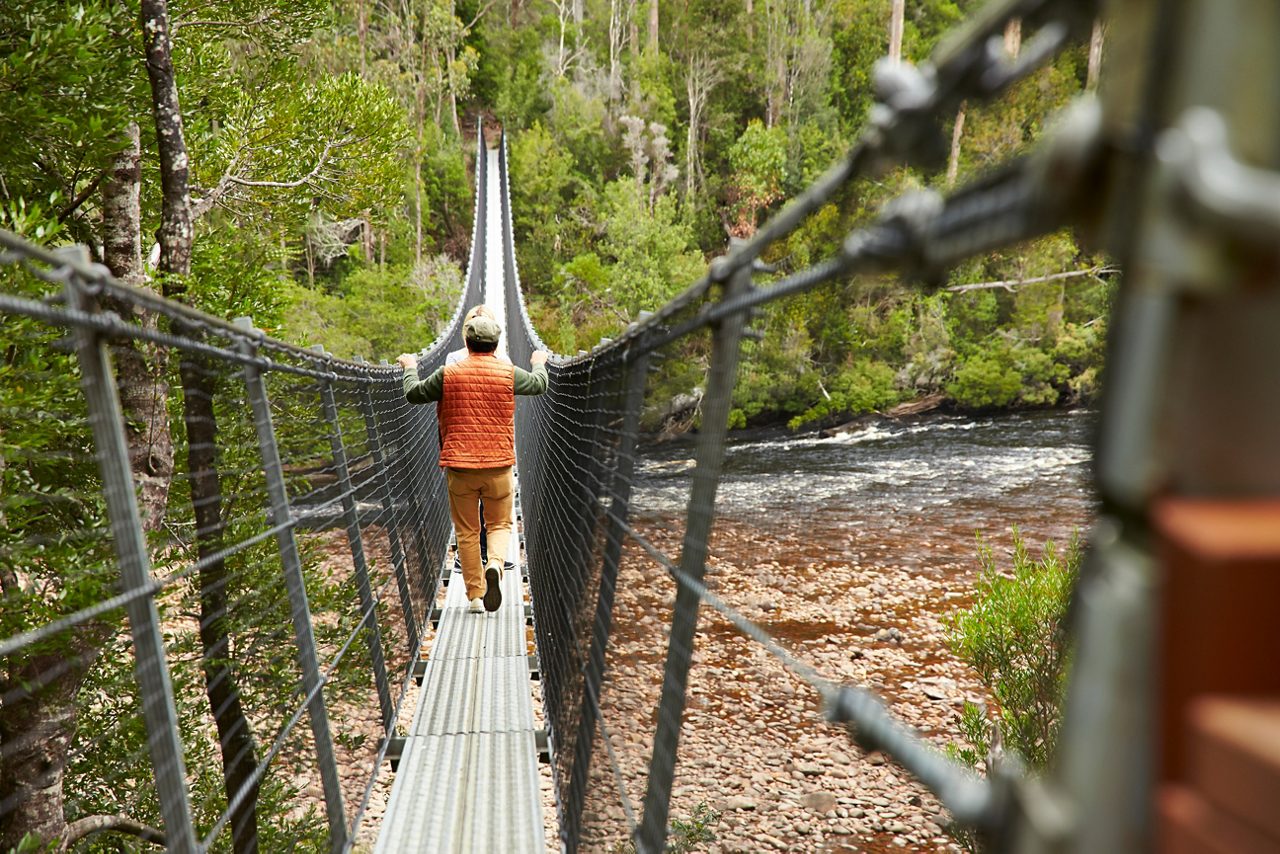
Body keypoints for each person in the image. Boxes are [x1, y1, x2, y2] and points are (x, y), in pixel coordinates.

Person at [398, 310, 548, 614]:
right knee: (500, 524)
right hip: (499, 466)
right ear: (496, 344)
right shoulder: (507, 372)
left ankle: (476, 596)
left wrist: (411, 368)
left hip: (460, 467)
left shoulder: (448, 374)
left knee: (467, 532)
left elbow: (413, 393)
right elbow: (538, 385)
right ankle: (495, 563)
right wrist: (538, 363)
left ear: (466, 343)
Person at [445, 306, 511, 572]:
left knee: (468, 516)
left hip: (460, 446)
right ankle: (492, 559)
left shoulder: (452, 361)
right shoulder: (504, 361)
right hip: (495, 446)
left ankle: (474, 573)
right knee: (494, 511)